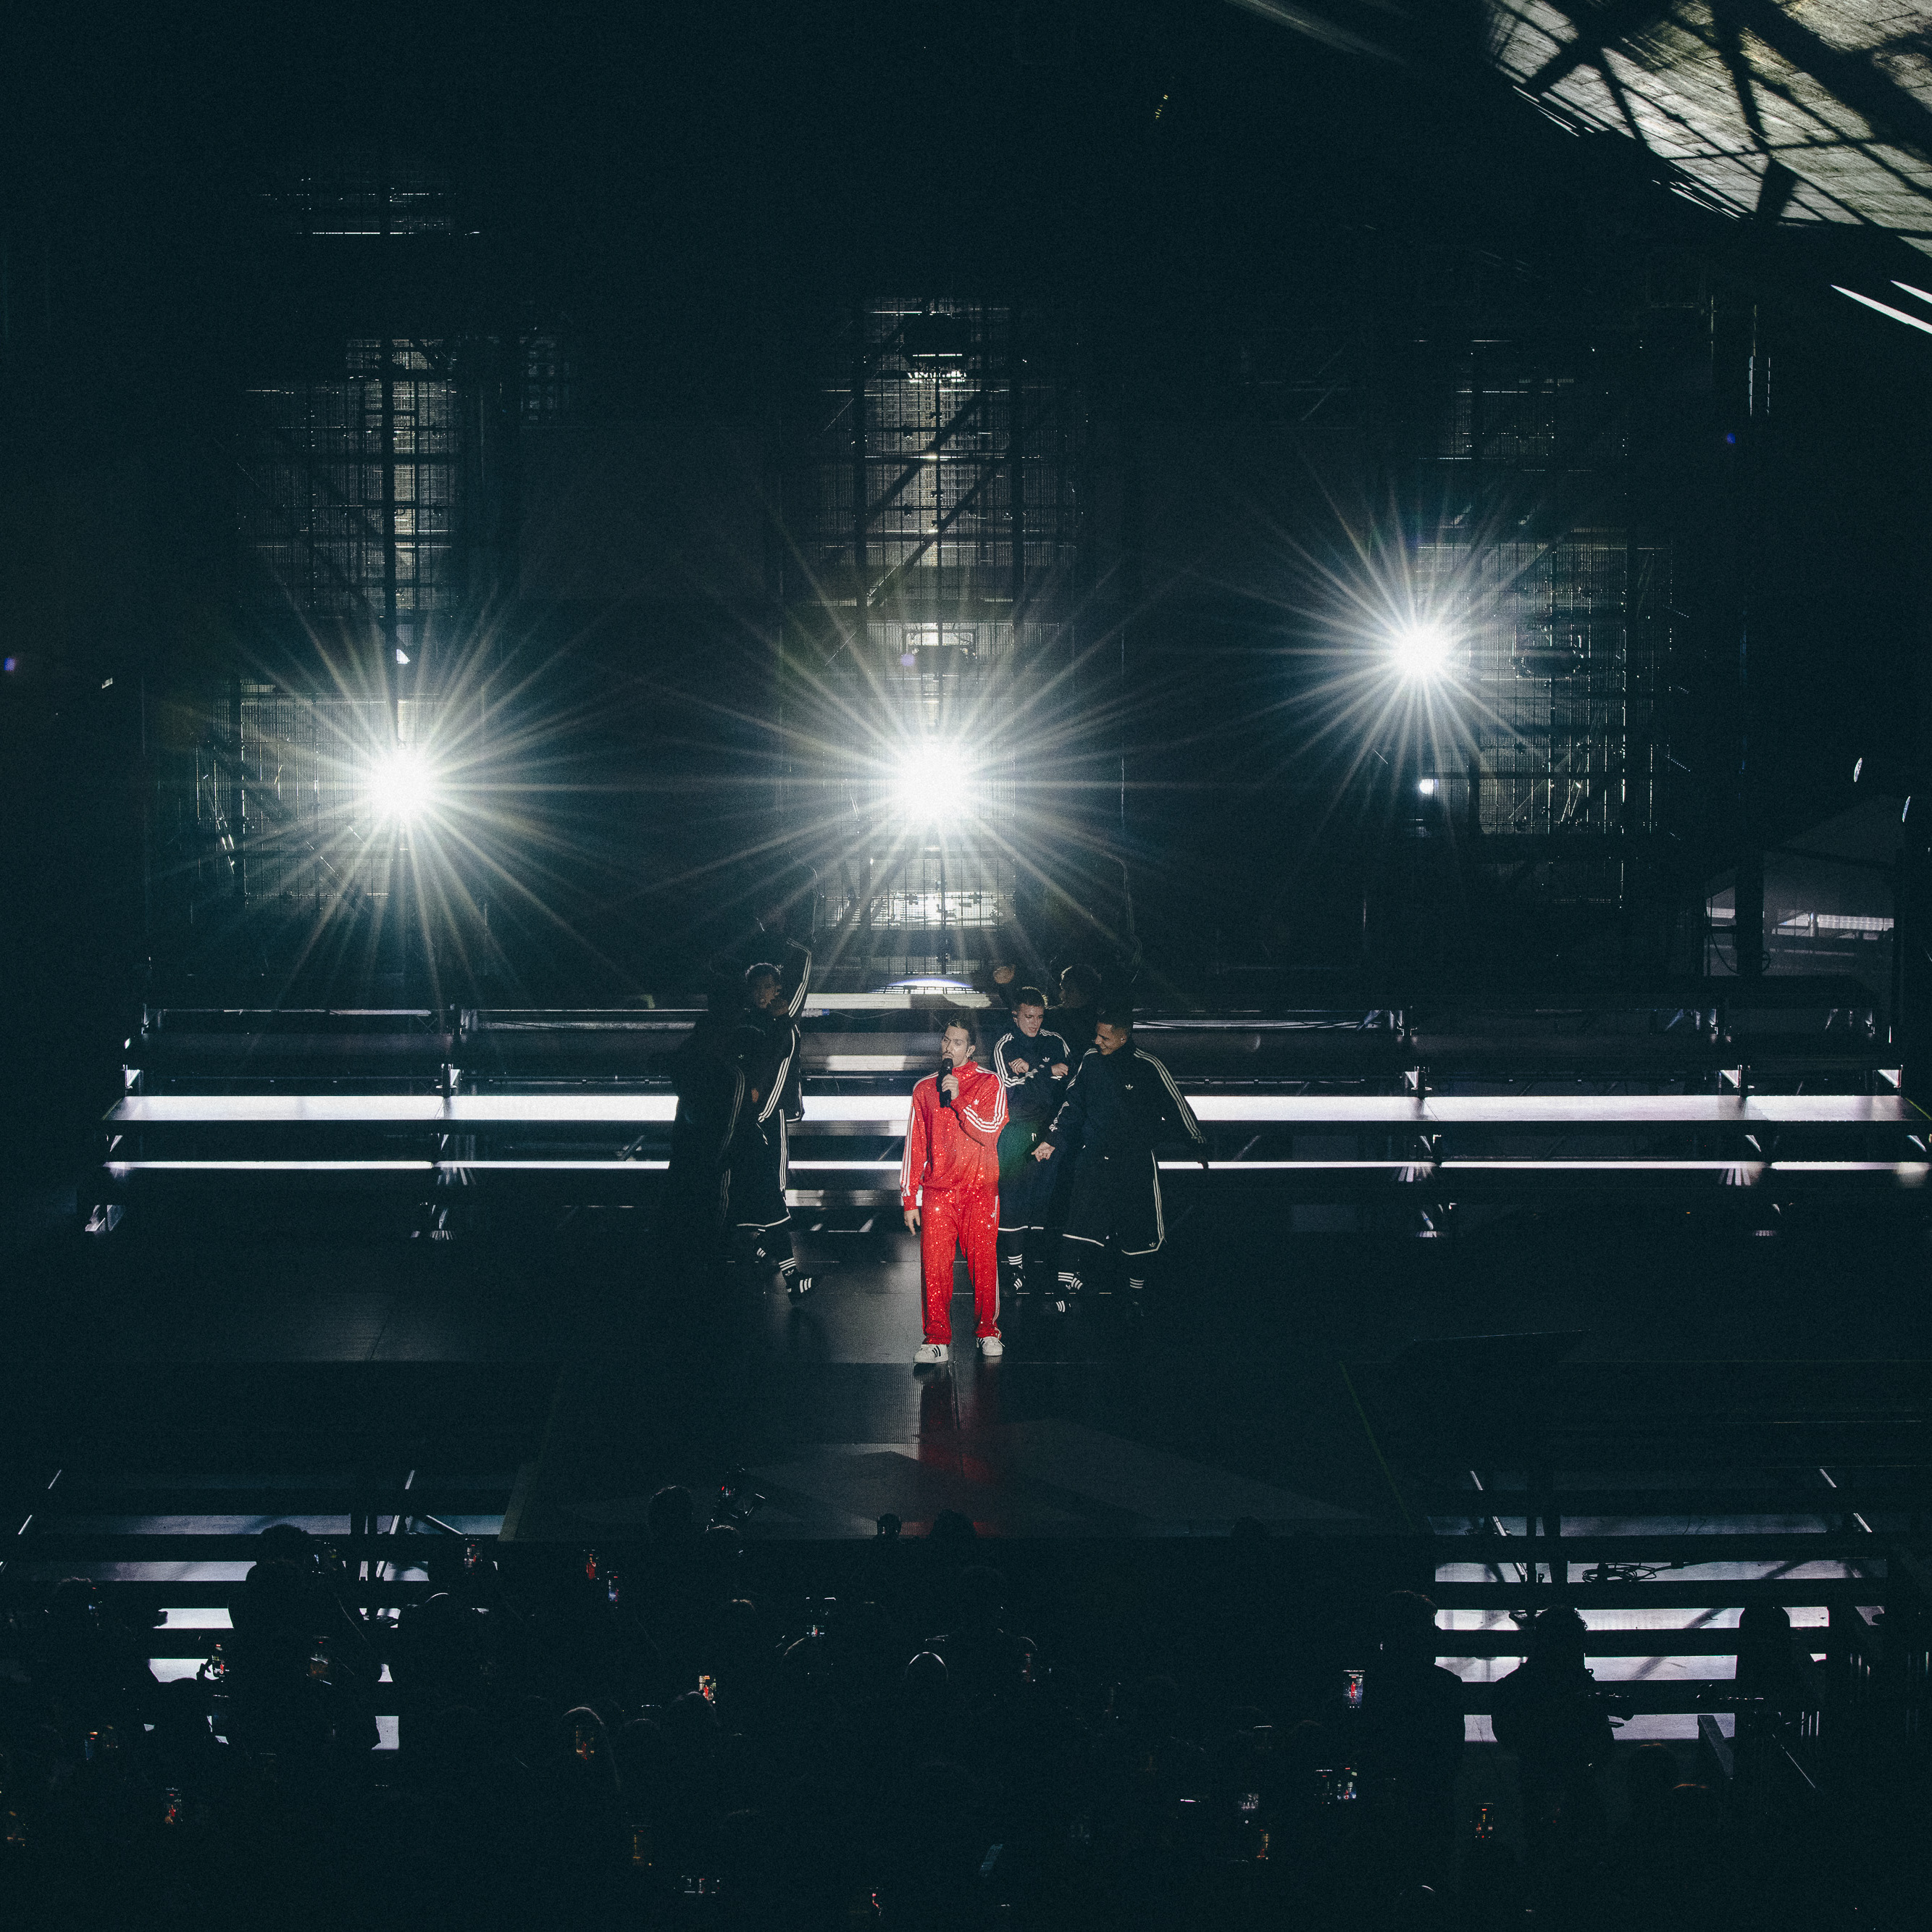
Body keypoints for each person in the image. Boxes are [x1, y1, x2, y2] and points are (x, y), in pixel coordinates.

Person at [1031, 1002, 1207, 1313]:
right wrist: (1051, 1140)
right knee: (1078, 1225)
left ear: (1124, 1037)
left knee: (1139, 1231)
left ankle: (1135, 1294)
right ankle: (1063, 1290)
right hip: (1095, 1157)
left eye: (1105, 1037)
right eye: (1096, 1035)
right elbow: (1072, 1104)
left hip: (1134, 1162)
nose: (1097, 1041)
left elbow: (1176, 1106)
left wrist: (1196, 1142)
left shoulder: (1148, 1066)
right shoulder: (1090, 1060)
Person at [901, 1017, 1008, 1364]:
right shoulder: (924, 1089)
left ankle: (988, 1332)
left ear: (971, 1049)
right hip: (938, 1193)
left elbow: (990, 1130)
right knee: (934, 1268)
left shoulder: (990, 1082)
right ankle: (936, 1339)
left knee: (983, 1264)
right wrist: (909, 1197)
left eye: (958, 1042)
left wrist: (960, 1099)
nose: (949, 1047)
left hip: (980, 1190)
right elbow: (915, 1145)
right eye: (946, 1040)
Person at [729, 925, 813, 1298]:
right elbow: (774, 1072)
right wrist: (760, 1117)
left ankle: (770, 1258)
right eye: (757, 988)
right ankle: (788, 1274)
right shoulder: (774, 1025)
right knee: (769, 1190)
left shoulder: (762, 1023)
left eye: (769, 987)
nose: (763, 993)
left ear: (779, 989)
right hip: (760, 1119)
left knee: (762, 1192)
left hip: (750, 1118)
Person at [989, 985, 1074, 1308]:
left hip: (1050, 1131)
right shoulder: (1005, 1045)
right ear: (1016, 1015)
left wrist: (1034, 1071)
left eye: (1039, 1017)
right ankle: (1014, 1268)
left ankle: (1035, 1266)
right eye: (1028, 1017)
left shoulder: (1056, 1041)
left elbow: (1070, 1082)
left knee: (1044, 1199)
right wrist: (1047, 1071)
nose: (1034, 1023)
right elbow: (1010, 1088)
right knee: (1014, 1198)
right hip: (1016, 1131)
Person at [663, 973, 752, 1265]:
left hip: (687, 1141)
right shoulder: (731, 1053)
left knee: (683, 1197)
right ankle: (710, 1256)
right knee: (714, 1200)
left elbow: (680, 1071)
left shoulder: (698, 1040)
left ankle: (682, 1256)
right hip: (713, 1145)